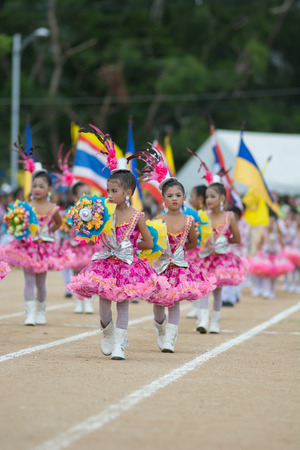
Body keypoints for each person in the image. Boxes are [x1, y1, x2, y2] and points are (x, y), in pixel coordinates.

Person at [66, 159, 167, 360]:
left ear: (128, 193)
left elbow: (148, 241)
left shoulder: (137, 216)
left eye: (114, 191)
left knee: (123, 304)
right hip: (105, 264)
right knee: (103, 303)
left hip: (127, 266)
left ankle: (120, 344)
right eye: (108, 190)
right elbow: (91, 234)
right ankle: (107, 332)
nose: (109, 195)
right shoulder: (102, 212)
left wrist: (131, 246)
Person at [147, 178, 216, 353]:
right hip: (160, 268)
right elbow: (153, 242)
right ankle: (161, 329)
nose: (174, 198)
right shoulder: (158, 219)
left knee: (175, 302)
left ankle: (170, 338)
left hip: (179, 269)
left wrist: (178, 253)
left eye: (178, 195)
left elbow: (193, 242)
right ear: (163, 199)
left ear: (184, 197)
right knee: (159, 304)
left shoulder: (188, 220)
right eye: (170, 195)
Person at [3, 167, 75, 325]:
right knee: (28, 281)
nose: (37, 189)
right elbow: (17, 224)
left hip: (44, 250)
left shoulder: (53, 208)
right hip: (27, 248)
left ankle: (41, 311)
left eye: (41, 186)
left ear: (49, 189)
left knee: (41, 283)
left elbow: (58, 223)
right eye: (34, 185)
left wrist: (48, 232)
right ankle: (30, 313)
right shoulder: (25, 206)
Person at [196, 180, 247, 334]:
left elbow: (237, 238)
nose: (208, 200)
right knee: (204, 289)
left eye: (212, 196)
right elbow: (197, 237)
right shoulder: (203, 216)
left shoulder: (229, 216)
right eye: (207, 197)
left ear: (222, 199)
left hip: (221, 260)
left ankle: (215, 323)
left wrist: (223, 243)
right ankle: (203, 320)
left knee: (218, 291)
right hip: (205, 259)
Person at [61, 181, 96, 314]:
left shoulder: (95, 212)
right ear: (75, 197)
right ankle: (78, 301)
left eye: (89, 193)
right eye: (83, 194)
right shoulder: (70, 212)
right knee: (76, 275)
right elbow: (66, 228)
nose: (87, 196)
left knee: (89, 275)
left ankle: (89, 301)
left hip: (89, 247)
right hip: (76, 247)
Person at [248, 213, 294, 298]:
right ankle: (265, 291)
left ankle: (271, 290)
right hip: (266, 256)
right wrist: (260, 253)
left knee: (274, 275)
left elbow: (281, 243)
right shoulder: (264, 233)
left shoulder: (277, 233)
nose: (270, 224)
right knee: (266, 274)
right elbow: (260, 244)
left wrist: (281, 253)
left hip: (275, 256)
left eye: (272, 222)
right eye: (269, 221)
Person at [185, 184, 207, 319]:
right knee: (192, 278)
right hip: (192, 251)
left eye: (192, 196)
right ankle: (194, 306)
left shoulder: (205, 215)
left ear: (200, 198)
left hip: (203, 252)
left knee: (202, 279)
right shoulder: (190, 214)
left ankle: (201, 309)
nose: (189, 198)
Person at [221, 206, 251, 306]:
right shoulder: (226, 223)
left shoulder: (245, 224)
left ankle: (234, 296)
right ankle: (226, 298)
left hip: (240, 254)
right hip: (228, 252)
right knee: (226, 275)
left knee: (237, 277)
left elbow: (240, 240)